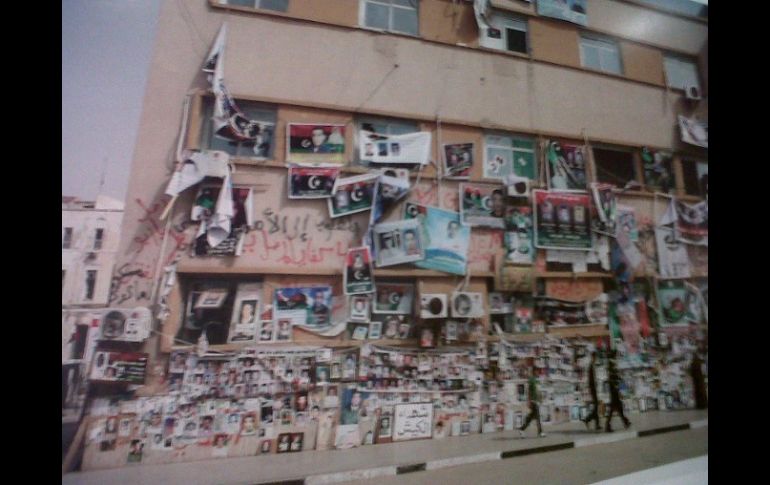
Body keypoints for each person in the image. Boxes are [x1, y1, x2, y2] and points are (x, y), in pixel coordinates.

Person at [605, 350, 631, 432]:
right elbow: (613, 378)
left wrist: (620, 382)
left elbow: (615, 377)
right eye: (616, 355)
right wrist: (619, 387)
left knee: (619, 406)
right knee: (614, 407)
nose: (617, 357)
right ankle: (608, 426)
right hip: (614, 389)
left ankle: (625, 422)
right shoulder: (612, 363)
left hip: (614, 388)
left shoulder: (611, 363)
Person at [519, 363, 546, 438]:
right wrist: (529, 401)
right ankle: (540, 432)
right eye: (536, 371)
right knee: (538, 416)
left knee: (531, 416)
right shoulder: (531, 380)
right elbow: (528, 391)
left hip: (537, 400)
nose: (538, 372)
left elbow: (538, 391)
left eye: (538, 371)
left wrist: (541, 399)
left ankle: (522, 429)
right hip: (533, 401)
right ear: (534, 371)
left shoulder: (537, 381)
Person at [582, 352, 601, 431]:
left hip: (593, 388)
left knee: (596, 406)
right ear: (593, 357)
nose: (595, 359)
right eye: (595, 357)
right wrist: (592, 388)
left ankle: (597, 424)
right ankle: (587, 419)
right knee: (596, 406)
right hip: (593, 388)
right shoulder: (591, 366)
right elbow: (590, 379)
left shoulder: (592, 366)